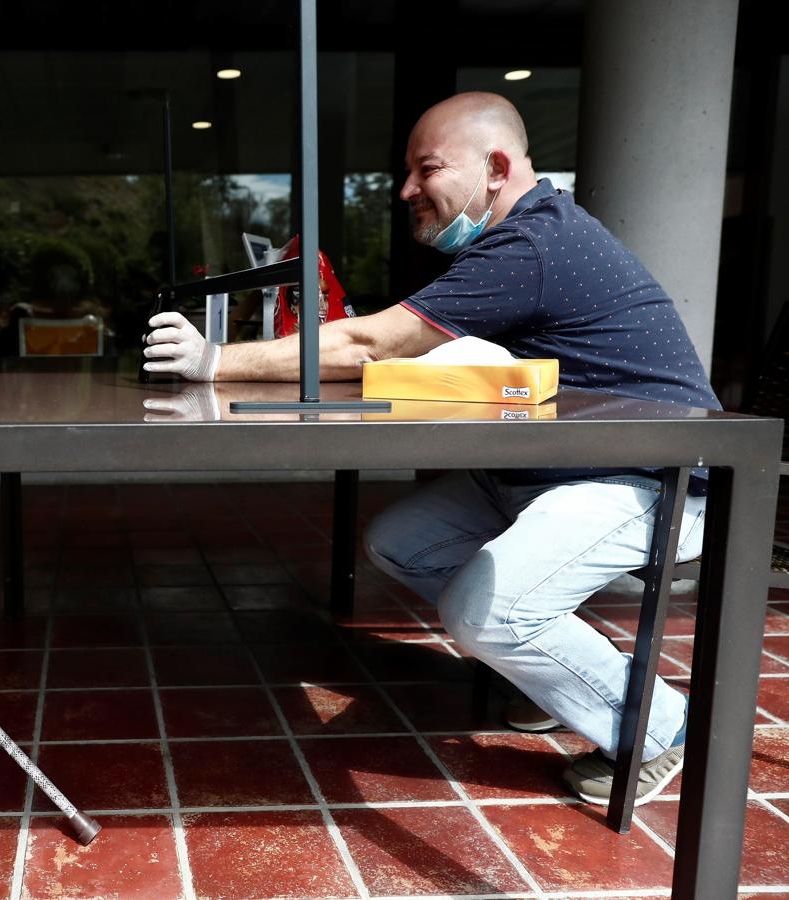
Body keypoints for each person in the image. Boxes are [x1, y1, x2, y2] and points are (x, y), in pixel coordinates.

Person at [143, 92, 720, 806]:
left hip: (644, 475)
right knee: (403, 542)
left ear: (498, 166)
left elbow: (370, 342)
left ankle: (666, 728)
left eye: (427, 168)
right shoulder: (519, 238)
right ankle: (556, 675)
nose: (406, 189)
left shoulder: (531, 245)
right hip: (557, 466)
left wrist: (214, 361)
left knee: (491, 610)